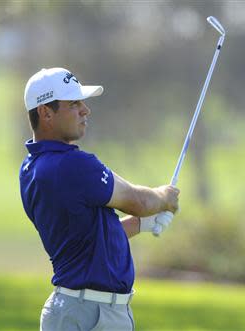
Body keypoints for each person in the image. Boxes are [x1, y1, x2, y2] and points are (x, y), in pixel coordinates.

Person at [19, 67, 180, 331]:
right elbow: (139, 201)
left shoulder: (32, 167)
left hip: (75, 310)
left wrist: (141, 225)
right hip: (89, 314)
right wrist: (165, 197)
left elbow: (87, 240)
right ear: (46, 113)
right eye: (74, 104)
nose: (85, 110)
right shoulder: (72, 165)